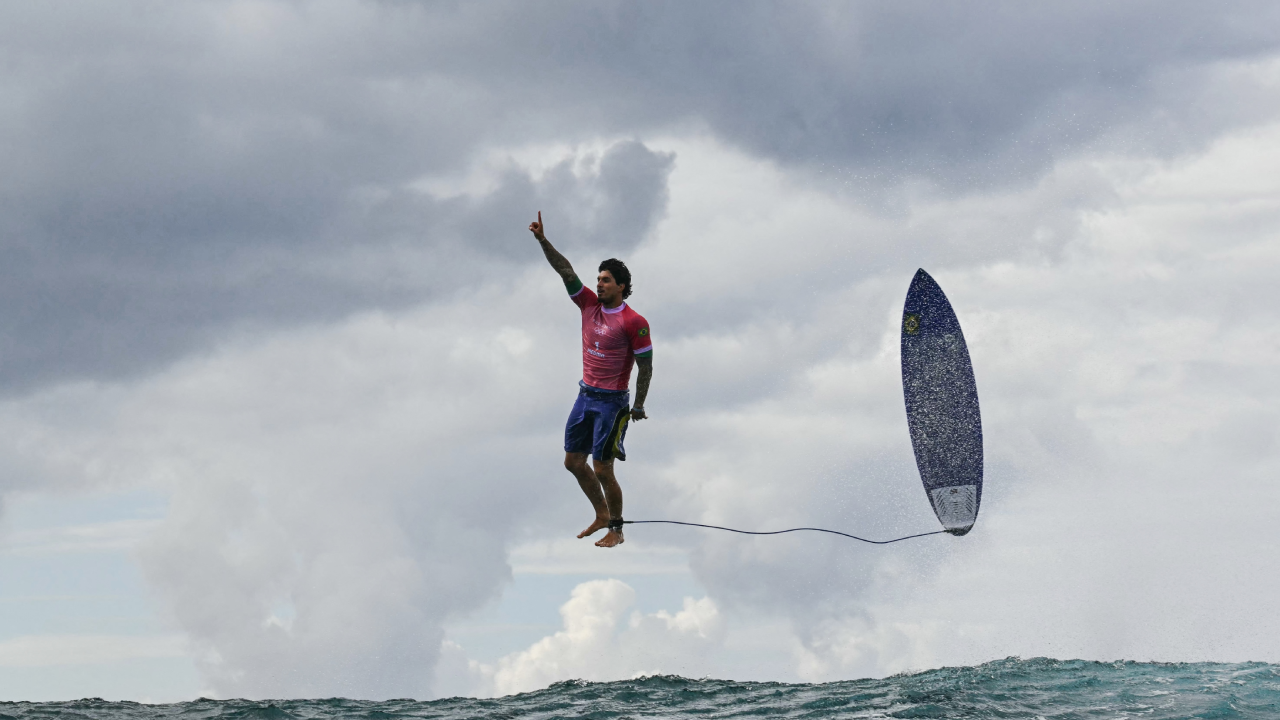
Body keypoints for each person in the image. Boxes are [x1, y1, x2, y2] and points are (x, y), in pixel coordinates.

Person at [528, 211, 652, 548]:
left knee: (603, 468)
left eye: (606, 280)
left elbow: (646, 366)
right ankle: (600, 513)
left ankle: (617, 528)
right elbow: (565, 270)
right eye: (598, 279)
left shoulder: (634, 321)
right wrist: (542, 240)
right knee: (572, 462)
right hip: (585, 395)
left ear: (622, 286)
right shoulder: (587, 305)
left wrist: (638, 404)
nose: (599, 284)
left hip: (612, 403)